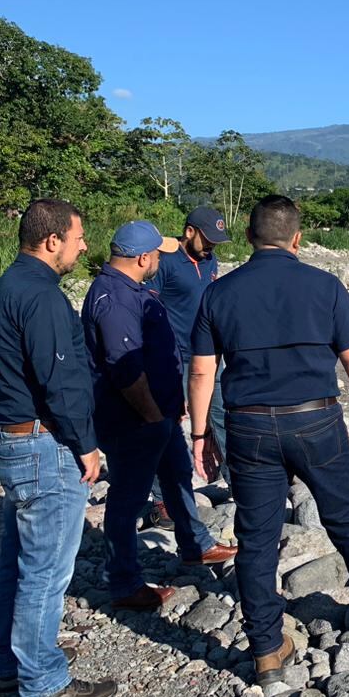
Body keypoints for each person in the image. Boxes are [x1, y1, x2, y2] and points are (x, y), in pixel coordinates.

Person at [187, 195, 349, 686]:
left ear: (249, 237)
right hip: (315, 421)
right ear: (297, 239)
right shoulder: (325, 285)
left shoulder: (219, 293)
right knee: (344, 513)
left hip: (248, 427)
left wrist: (200, 433)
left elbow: (202, 372)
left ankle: (266, 649)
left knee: (257, 535)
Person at [0, 199, 118, 697]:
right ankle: (42, 684)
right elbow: (60, 381)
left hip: (13, 437)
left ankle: (12, 661)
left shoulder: (5, 288)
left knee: (17, 560)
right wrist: (86, 444)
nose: (84, 246)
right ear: (52, 240)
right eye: (78, 237)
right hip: (44, 444)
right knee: (45, 572)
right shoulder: (41, 298)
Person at [81, 221, 237, 611]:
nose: (159, 261)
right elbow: (124, 369)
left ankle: (195, 544)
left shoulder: (131, 288)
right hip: (133, 419)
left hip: (158, 412)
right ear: (142, 258)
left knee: (177, 475)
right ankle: (124, 582)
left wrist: (169, 405)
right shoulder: (114, 299)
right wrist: (153, 415)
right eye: (156, 255)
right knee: (127, 499)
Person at [142, 207, 231, 531]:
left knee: (224, 417)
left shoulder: (210, 261)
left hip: (209, 357)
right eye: (208, 239)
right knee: (165, 428)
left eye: (216, 241)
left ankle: (240, 482)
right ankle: (161, 501)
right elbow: (148, 308)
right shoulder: (165, 262)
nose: (212, 247)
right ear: (189, 231)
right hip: (172, 359)